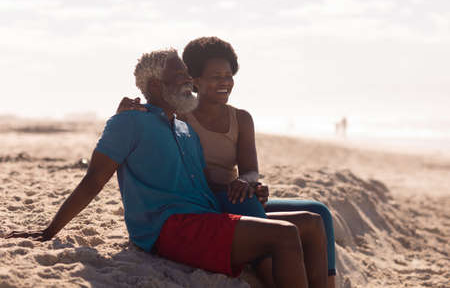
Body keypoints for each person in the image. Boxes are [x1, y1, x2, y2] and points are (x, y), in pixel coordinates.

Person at [6, 49, 326, 288]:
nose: (189, 80)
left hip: (206, 216)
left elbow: (200, 185)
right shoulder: (128, 122)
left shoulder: (185, 129)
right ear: (157, 86)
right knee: (283, 236)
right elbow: (92, 181)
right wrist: (50, 230)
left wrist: (248, 187)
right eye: (181, 76)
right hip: (170, 228)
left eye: (188, 74)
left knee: (310, 222)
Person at [118, 37, 336, 288]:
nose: (225, 82)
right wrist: (127, 109)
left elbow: (250, 170)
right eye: (215, 76)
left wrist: (249, 182)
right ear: (195, 80)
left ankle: (328, 285)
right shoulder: (179, 115)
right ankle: (270, 275)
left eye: (228, 75)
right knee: (252, 205)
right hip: (205, 201)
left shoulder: (241, 118)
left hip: (233, 196)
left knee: (319, 212)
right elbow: (151, 114)